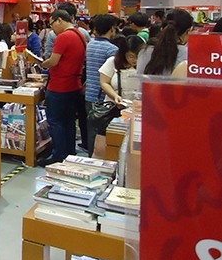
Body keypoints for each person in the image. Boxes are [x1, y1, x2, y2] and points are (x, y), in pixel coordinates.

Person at [39, 9, 87, 165]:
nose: (52, 28)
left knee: (56, 121)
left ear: (59, 20)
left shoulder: (63, 37)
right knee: (69, 121)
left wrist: (41, 63)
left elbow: (53, 61)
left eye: (52, 24)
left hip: (59, 85)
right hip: (74, 84)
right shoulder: (80, 35)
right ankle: (69, 151)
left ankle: (58, 154)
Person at [94, 35, 145, 158]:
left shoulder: (146, 65)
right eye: (131, 56)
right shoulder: (113, 62)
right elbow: (104, 82)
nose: (135, 60)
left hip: (136, 112)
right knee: (102, 148)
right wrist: (115, 96)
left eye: (138, 56)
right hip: (113, 109)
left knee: (131, 151)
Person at [84, 14, 118, 153]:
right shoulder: (112, 49)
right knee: (101, 134)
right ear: (112, 29)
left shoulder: (90, 44)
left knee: (92, 130)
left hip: (89, 94)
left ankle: (91, 157)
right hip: (103, 98)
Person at [138, 8, 192, 76]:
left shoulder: (145, 50)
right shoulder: (188, 54)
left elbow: (140, 77)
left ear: (162, 28)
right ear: (188, 31)